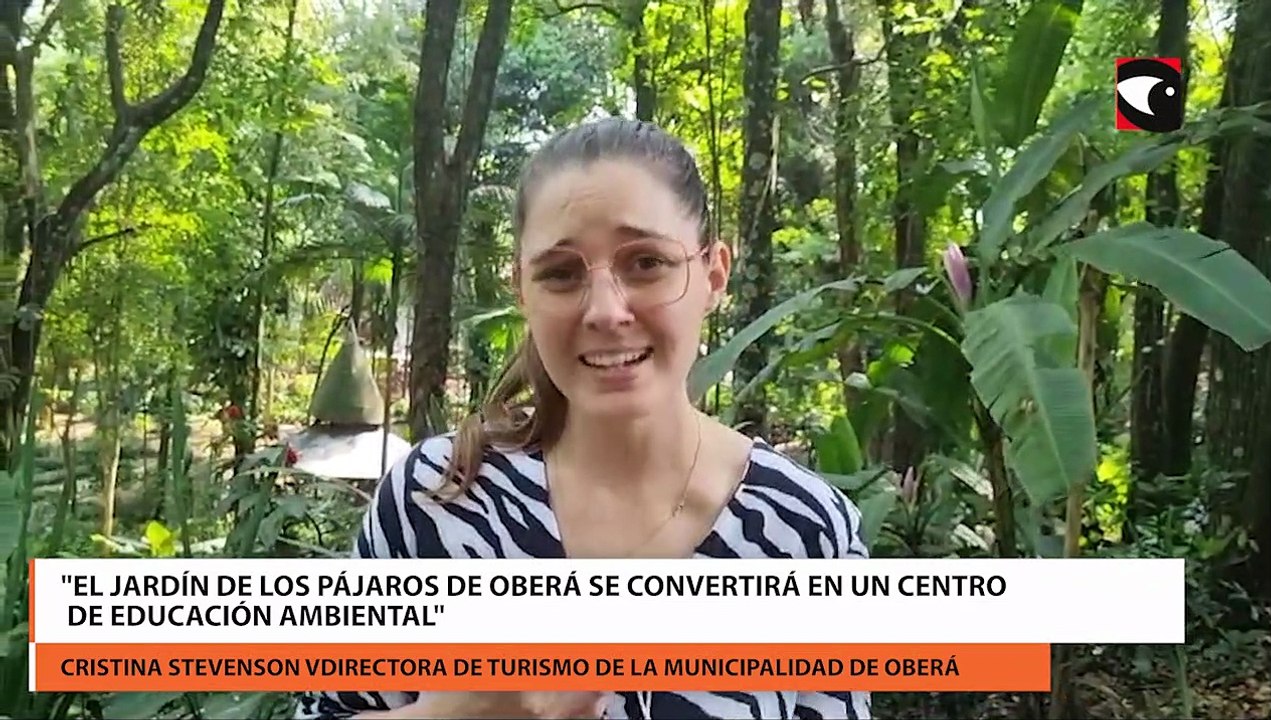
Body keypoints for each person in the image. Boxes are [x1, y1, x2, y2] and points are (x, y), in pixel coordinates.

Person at [295, 117, 872, 720]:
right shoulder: (438, 499)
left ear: (713, 276)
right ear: (522, 290)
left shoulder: (804, 534)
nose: (605, 310)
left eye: (647, 262)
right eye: (562, 273)